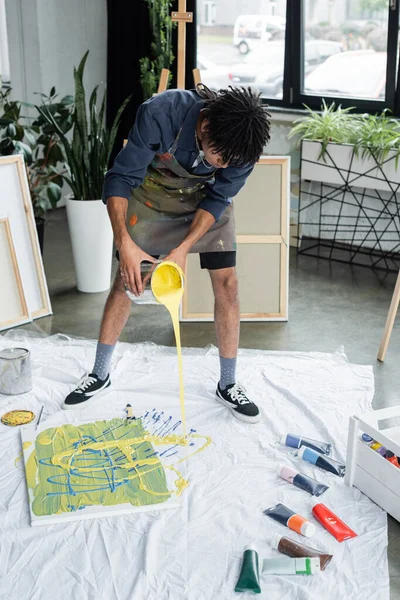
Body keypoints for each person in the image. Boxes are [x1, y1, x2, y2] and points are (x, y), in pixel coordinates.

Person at [63, 84, 271, 423]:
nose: (228, 165)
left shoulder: (243, 147)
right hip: (152, 195)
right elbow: (120, 178)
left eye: (234, 161)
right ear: (205, 127)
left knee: (228, 284)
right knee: (127, 282)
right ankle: (99, 374)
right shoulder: (161, 112)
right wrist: (124, 244)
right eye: (222, 158)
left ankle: (228, 383)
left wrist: (182, 249)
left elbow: (218, 198)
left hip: (205, 203)